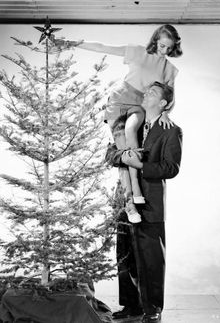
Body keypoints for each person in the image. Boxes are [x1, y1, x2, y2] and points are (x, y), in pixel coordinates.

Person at [52, 25, 182, 224]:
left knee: (131, 133)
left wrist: (165, 113)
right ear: (155, 40)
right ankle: (130, 202)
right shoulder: (138, 52)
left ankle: (136, 191)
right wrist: (69, 43)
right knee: (123, 151)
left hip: (140, 105)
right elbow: (102, 47)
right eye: (162, 45)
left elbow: (169, 97)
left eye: (168, 49)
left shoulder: (169, 69)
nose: (164, 51)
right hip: (119, 100)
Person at [105, 81, 183, 323]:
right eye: (146, 90)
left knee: (150, 257)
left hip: (151, 202)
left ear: (163, 103)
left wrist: (140, 165)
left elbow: (171, 168)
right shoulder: (132, 125)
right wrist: (123, 157)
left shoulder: (172, 130)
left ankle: (152, 308)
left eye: (152, 92)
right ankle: (131, 306)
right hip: (125, 199)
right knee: (125, 253)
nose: (145, 93)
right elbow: (111, 153)